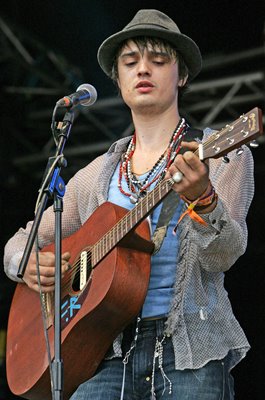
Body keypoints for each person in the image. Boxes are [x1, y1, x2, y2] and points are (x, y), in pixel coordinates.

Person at [4, 9, 254, 400]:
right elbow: (23, 238)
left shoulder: (220, 155)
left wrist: (204, 200)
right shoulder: (96, 174)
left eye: (158, 60)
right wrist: (25, 263)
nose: (143, 70)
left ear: (182, 75)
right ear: (118, 79)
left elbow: (225, 255)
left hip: (188, 356)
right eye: (130, 62)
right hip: (101, 355)